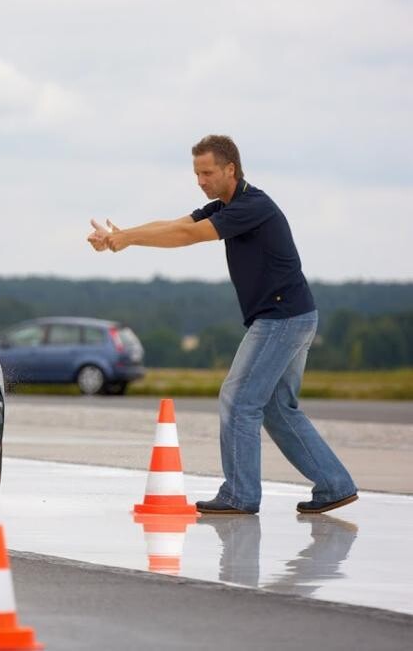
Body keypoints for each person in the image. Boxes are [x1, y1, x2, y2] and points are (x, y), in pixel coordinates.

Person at [87, 135, 357, 515]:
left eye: (207, 172)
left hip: (281, 318)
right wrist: (123, 237)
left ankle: (240, 495)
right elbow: (179, 223)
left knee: (239, 398)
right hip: (294, 316)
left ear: (231, 169)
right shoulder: (227, 205)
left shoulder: (253, 205)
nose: (200, 180)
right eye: (197, 173)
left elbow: (187, 235)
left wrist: (125, 238)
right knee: (278, 408)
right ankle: (335, 485)